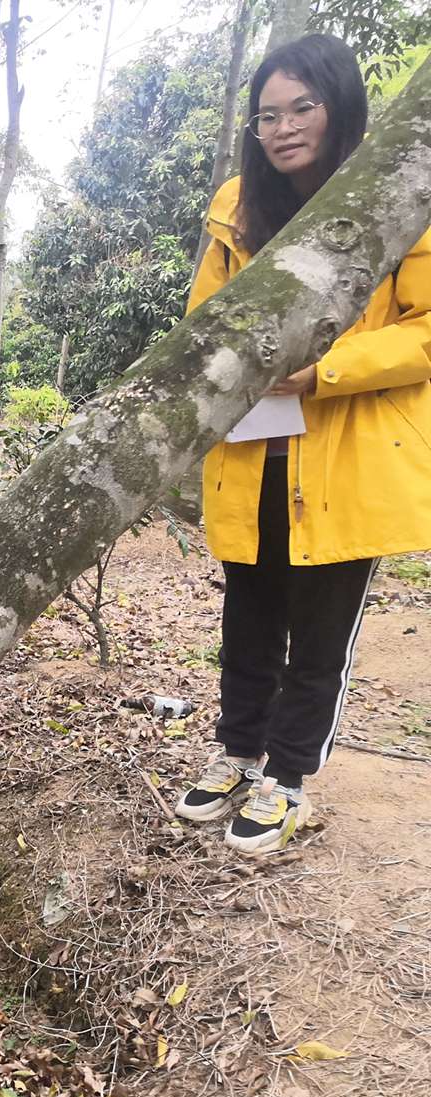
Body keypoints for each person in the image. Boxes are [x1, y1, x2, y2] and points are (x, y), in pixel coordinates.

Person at [173, 34, 431, 852]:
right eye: (266, 116)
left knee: (319, 630)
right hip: (254, 447)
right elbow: (201, 324)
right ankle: (237, 753)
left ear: (339, 107)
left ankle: (288, 779)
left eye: (301, 109)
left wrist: (325, 371)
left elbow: (425, 331)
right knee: (249, 614)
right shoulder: (235, 207)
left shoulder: (395, 203)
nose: (281, 129)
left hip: (349, 449)